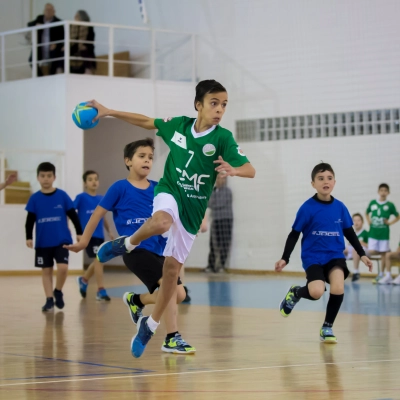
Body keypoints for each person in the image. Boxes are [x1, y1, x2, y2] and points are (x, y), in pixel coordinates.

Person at [88, 79, 255, 358]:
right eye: (214, 103)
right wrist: (109, 111)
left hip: (193, 211)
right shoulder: (177, 125)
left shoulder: (222, 138)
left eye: (224, 105)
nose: (219, 110)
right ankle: (126, 244)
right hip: (170, 192)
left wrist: (234, 171)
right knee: (162, 222)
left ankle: (150, 326)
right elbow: (145, 121)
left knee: (171, 275)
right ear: (198, 105)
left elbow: (250, 169)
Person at [66, 139, 195, 354]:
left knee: (179, 294)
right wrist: (84, 241)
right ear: (128, 160)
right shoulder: (119, 187)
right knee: (168, 288)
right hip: (135, 250)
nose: (147, 160)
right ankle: (172, 338)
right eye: (141, 156)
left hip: (160, 250)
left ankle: (137, 300)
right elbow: (98, 214)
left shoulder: (157, 188)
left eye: (150, 157)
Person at [275, 163, 372, 343]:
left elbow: (349, 232)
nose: (325, 181)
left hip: (335, 255)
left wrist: (362, 253)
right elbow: (294, 234)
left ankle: (327, 327)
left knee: (338, 286)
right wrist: (285, 258)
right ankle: (296, 293)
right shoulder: (307, 208)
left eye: (329, 178)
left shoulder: (340, 207)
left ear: (334, 182)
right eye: (320, 178)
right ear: (313, 183)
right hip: (313, 257)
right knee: (317, 292)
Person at [25, 162, 82, 312]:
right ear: (38, 178)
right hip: (43, 241)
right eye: (42, 176)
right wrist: (28, 237)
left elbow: (73, 215)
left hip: (61, 239)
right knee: (46, 271)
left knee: (63, 268)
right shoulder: (34, 198)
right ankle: (49, 299)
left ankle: (58, 290)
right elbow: (29, 220)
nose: (46, 179)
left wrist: (79, 232)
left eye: (49, 176)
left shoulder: (62, 195)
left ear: (54, 177)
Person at [74, 170, 113, 301]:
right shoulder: (81, 197)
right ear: (85, 183)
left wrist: (109, 231)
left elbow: (103, 217)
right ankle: (100, 290)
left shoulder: (101, 198)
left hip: (99, 235)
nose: (94, 181)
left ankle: (84, 280)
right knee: (99, 260)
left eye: (96, 179)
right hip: (87, 235)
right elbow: (72, 214)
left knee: (98, 260)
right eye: (90, 179)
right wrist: (77, 232)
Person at [366, 183, 400, 284]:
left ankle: (381, 274)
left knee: (384, 254)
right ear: (378, 191)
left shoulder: (390, 205)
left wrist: (390, 223)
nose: (383, 192)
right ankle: (386, 252)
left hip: (384, 233)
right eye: (381, 190)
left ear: (388, 192)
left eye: (385, 191)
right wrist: (368, 221)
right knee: (371, 251)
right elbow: (366, 212)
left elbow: (398, 216)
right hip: (373, 233)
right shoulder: (373, 203)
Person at [205, 174, 233, 273]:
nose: (218, 180)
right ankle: (211, 266)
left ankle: (221, 266)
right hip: (215, 219)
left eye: (220, 178)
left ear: (224, 179)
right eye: (217, 178)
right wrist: (212, 203)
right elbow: (208, 203)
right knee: (213, 244)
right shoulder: (213, 191)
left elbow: (219, 203)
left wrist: (213, 203)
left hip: (225, 220)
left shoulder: (227, 191)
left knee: (224, 244)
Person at [27, 3, 64, 76]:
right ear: (43, 11)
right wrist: (35, 24)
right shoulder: (39, 18)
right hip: (40, 47)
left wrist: (56, 44)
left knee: (55, 58)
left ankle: (51, 76)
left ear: (54, 12)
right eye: (47, 10)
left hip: (52, 48)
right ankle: (40, 77)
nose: (48, 12)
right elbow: (29, 24)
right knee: (31, 60)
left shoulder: (59, 22)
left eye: (50, 10)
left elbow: (62, 37)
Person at [343, 213, 369, 282]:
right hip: (352, 250)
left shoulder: (366, 233)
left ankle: (356, 272)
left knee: (355, 249)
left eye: (358, 220)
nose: (356, 222)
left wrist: (360, 243)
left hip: (363, 251)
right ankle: (342, 269)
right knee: (341, 248)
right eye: (354, 220)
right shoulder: (352, 233)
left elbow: (370, 246)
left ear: (362, 222)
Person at [70, 10, 96, 74]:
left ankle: (88, 70)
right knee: (64, 51)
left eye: (77, 16)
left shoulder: (89, 27)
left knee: (85, 51)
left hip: (85, 48)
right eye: (75, 16)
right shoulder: (71, 27)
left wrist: (83, 46)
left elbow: (90, 40)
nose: (75, 17)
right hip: (73, 48)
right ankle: (60, 70)